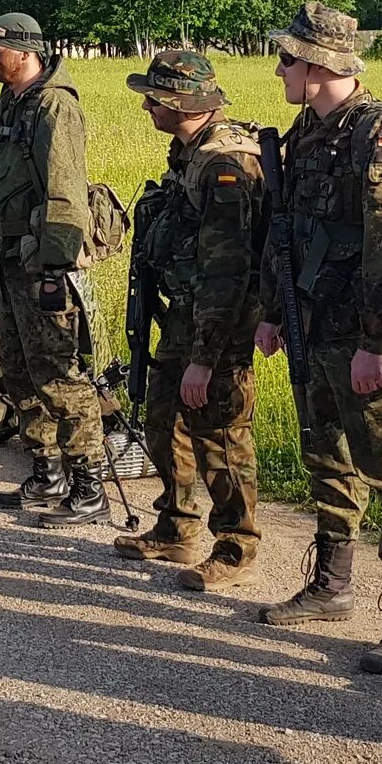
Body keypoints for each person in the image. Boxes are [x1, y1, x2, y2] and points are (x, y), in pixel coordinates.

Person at [255, 2, 382, 661]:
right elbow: (288, 231)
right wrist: (274, 312)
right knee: (326, 458)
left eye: (286, 59)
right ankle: (332, 585)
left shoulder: (381, 134)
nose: (278, 69)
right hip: (314, 323)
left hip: (366, 338)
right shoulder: (307, 130)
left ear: (318, 65)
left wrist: (378, 341)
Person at [119, 48, 266, 586]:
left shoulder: (223, 163)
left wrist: (206, 358)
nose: (146, 110)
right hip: (185, 313)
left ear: (180, 102)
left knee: (220, 432)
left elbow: (228, 270)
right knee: (162, 421)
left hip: (220, 322)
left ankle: (235, 544)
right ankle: (177, 526)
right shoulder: (191, 154)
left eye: (153, 99)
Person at [0, 12, 107, 526]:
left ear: (25, 50)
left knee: (59, 374)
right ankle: (46, 469)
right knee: (18, 371)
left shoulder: (53, 106)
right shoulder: (12, 103)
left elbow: (64, 192)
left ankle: (88, 482)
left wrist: (54, 268)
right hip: (7, 259)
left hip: (39, 264)